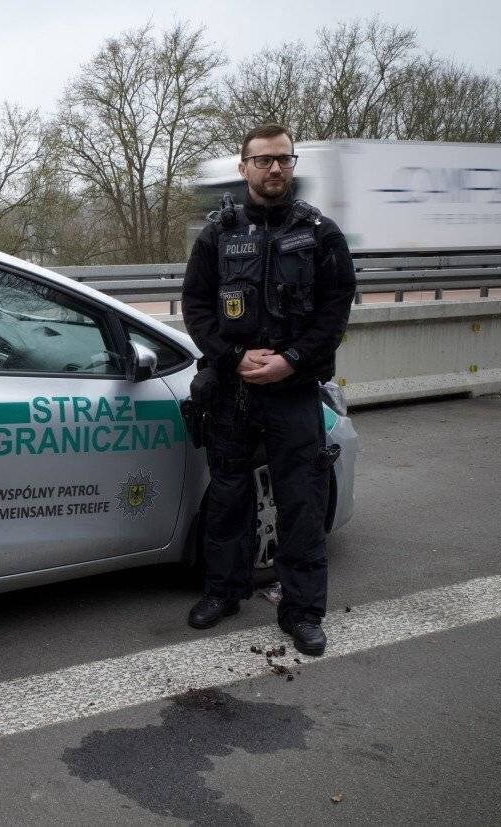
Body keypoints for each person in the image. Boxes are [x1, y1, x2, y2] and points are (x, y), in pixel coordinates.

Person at [180, 123, 355, 657]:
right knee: (228, 496)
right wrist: (233, 357)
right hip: (232, 392)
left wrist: (291, 361)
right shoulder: (217, 234)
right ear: (244, 168)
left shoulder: (321, 234)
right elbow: (197, 307)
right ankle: (223, 591)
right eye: (263, 159)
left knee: (301, 502)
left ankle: (302, 611)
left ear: (292, 164)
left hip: (294, 391)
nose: (274, 167)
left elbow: (335, 312)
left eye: (283, 158)